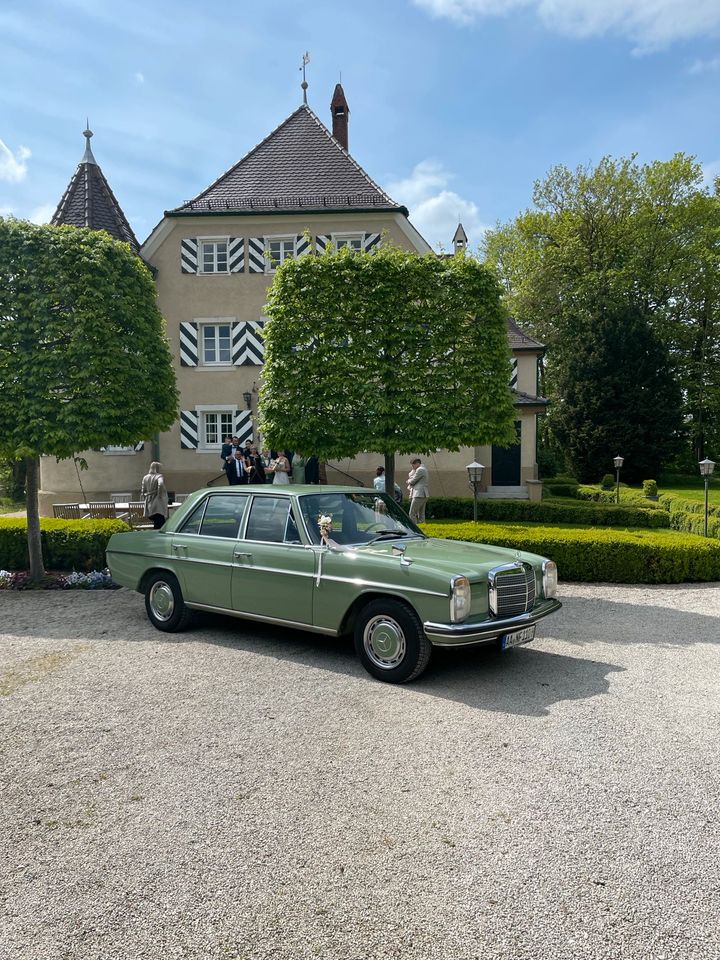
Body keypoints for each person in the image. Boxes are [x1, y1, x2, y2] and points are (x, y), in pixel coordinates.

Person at [141, 461, 170, 529]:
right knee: (160, 523)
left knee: (157, 522)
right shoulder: (159, 476)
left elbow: (143, 490)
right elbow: (161, 484)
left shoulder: (145, 477)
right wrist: (159, 495)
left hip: (149, 503)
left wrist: (145, 495)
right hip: (157, 505)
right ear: (157, 469)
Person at [407, 457, 429, 523]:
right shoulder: (423, 469)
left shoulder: (420, 470)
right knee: (421, 515)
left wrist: (408, 481)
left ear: (417, 463)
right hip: (422, 494)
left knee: (412, 513)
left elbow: (412, 481)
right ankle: (422, 528)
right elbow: (411, 475)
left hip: (419, 494)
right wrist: (413, 470)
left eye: (413, 465)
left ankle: (414, 530)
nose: (412, 467)